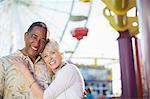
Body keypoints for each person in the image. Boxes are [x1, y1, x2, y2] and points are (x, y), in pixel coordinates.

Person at [12, 39, 85, 99]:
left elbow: (44, 97)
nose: (50, 58)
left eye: (53, 52)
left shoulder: (69, 70)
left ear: (61, 53)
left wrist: (25, 70)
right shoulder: (57, 76)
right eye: (45, 56)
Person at [0, 21, 51, 99]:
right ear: (25, 36)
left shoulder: (49, 66)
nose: (37, 44)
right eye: (34, 37)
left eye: (42, 40)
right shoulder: (4, 63)